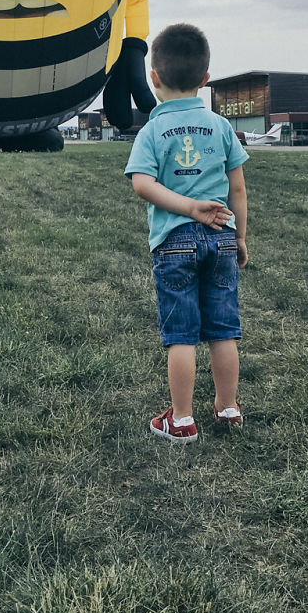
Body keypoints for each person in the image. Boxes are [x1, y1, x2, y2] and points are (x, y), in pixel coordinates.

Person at [125, 23, 249, 442]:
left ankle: (180, 420)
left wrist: (186, 208)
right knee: (223, 329)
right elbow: (237, 188)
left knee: (180, 335)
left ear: (153, 79)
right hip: (221, 238)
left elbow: (142, 183)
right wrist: (240, 237)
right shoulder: (221, 127)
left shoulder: (152, 131)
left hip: (174, 244)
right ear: (205, 80)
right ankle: (228, 407)